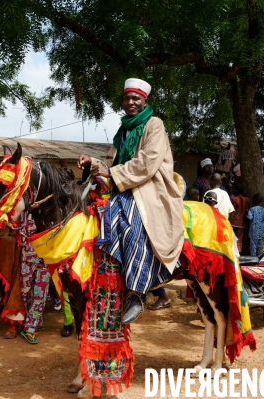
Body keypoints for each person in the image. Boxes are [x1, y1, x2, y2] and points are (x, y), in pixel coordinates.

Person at [77, 78, 184, 324]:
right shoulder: (122, 131)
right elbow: (110, 164)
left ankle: (137, 293)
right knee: (98, 216)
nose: (130, 102)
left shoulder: (154, 124)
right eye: (127, 98)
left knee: (133, 224)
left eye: (136, 98)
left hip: (150, 188)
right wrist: (91, 163)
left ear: (145, 101)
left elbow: (147, 163)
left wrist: (110, 173)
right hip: (125, 187)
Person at [18, 213, 50, 344]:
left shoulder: (48, 213)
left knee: (40, 294)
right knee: (25, 292)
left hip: (45, 259)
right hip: (27, 259)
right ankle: (33, 320)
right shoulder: (22, 212)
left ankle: (30, 327)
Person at [230, 183, 249, 253]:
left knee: (231, 237)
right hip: (242, 222)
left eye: (234, 189)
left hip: (233, 221)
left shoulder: (234, 199)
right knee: (239, 238)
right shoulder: (246, 199)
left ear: (237, 190)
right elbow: (246, 210)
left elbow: (232, 210)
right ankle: (238, 252)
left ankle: (231, 252)